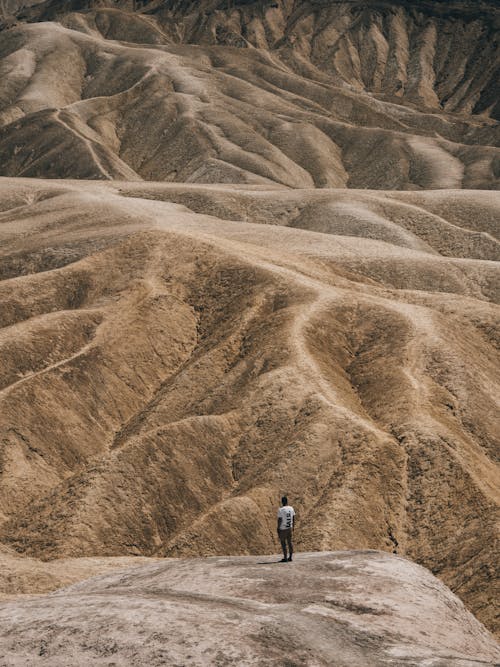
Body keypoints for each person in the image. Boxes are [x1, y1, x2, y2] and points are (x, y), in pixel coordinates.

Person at [277, 496, 295, 562]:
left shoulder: (281, 509)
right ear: (287, 501)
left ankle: (285, 558)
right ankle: (290, 557)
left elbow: (280, 519)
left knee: (283, 543)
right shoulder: (291, 508)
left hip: (283, 528)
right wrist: (293, 526)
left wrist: (278, 528)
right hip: (289, 527)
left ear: (282, 502)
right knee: (290, 543)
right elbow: (293, 518)